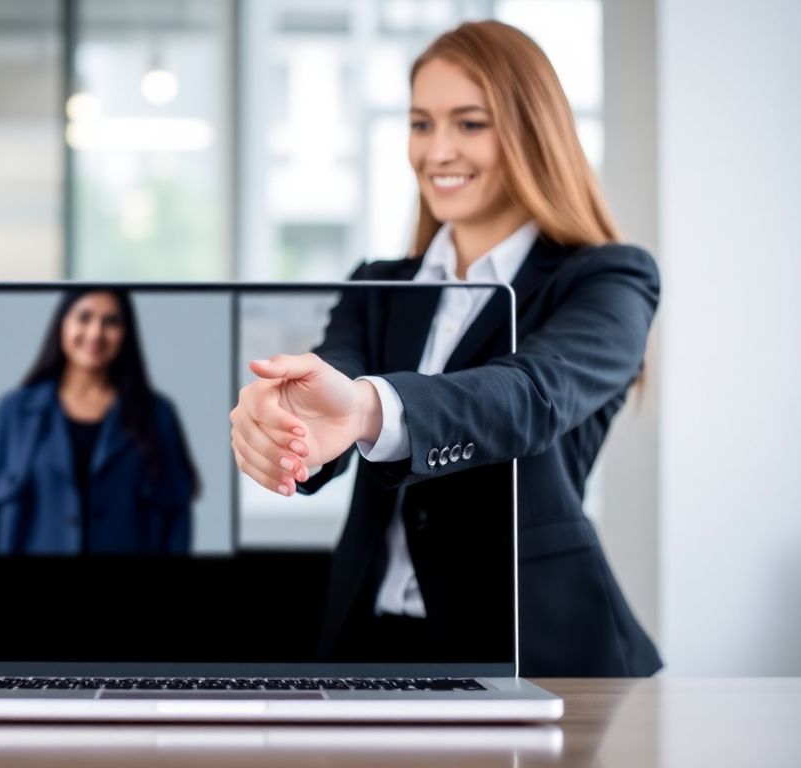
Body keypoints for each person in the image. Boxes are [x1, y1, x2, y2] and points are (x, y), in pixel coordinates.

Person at [229, 21, 662, 676]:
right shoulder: (379, 285)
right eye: (421, 124)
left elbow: (531, 396)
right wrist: (283, 427)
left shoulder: (606, 278)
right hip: (366, 649)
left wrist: (370, 409)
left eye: (469, 123)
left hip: (535, 655)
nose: (437, 150)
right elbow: (329, 396)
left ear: (530, 131)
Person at [0, 288, 198, 556]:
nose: (95, 333)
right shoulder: (15, 411)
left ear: (126, 333)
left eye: (111, 322)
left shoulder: (158, 414)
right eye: (84, 318)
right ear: (62, 324)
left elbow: (178, 517)